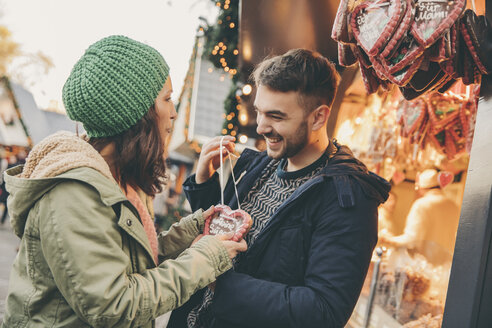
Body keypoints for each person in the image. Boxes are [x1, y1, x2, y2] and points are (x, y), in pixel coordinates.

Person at [1, 35, 247, 328]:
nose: (173, 111)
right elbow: (112, 305)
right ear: (136, 114)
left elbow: (135, 262)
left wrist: (194, 228)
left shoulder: (120, 180)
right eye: (166, 99)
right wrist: (206, 258)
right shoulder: (74, 192)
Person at [169, 49, 391, 328]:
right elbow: (228, 232)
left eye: (276, 116)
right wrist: (204, 183)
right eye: (259, 112)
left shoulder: (348, 197)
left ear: (319, 118)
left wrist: (217, 280)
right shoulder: (261, 162)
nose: (261, 127)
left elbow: (322, 311)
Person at [379, 169, 461, 265]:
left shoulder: (422, 205)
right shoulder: (453, 206)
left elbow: (411, 240)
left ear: (421, 188)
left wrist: (389, 239)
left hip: (425, 266)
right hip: (447, 266)